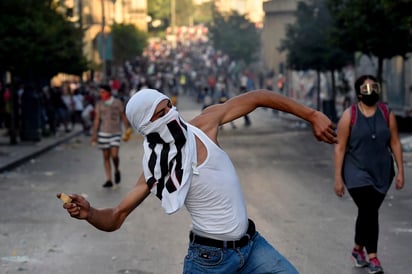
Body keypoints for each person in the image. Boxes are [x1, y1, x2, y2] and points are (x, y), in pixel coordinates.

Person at [58, 88, 337, 273]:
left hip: (252, 247)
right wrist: (90, 213)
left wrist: (311, 115)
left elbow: (257, 97)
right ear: (145, 126)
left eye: (169, 106)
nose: (171, 114)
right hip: (209, 261)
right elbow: (116, 216)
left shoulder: (204, 125)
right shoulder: (158, 168)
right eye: (160, 114)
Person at [334, 75, 404, 274]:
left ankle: (357, 249)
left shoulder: (386, 113)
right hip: (356, 172)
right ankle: (373, 257)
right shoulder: (350, 115)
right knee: (369, 211)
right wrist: (338, 178)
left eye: (374, 87)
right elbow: (340, 147)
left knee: (367, 213)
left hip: (382, 172)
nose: (371, 91)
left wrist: (401, 172)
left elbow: (395, 142)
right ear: (358, 93)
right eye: (366, 88)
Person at [91, 84, 130, 188]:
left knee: (115, 155)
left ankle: (116, 169)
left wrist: (127, 129)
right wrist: (94, 134)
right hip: (103, 132)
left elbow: (123, 116)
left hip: (116, 132)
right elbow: (97, 119)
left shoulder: (117, 102)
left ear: (108, 92)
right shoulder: (99, 104)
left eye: (103, 92)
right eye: (100, 92)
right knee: (106, 157)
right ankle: (109, 179)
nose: (101, 94)